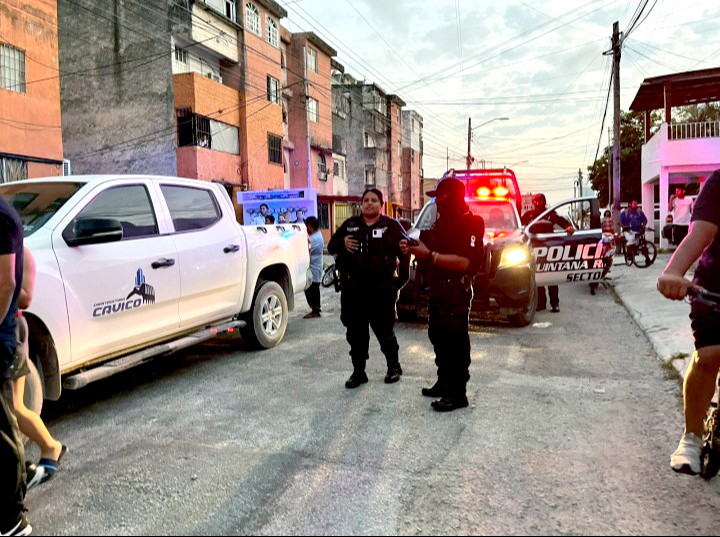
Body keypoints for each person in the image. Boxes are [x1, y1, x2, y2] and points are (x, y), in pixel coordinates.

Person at [401, 178, 485, 412]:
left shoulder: (472, 223)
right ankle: (444, 381)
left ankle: (458, 394)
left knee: (455, 342)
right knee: (437, 335)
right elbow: (425, 243)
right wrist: (411, 246)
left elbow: (465, 262)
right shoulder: (440, 223)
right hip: (437, 289)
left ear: (453, 198)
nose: (437, 202)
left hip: (456, 290)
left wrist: (429, 255)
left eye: (440, 197)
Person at [658, 170, 720, 476]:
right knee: (709, 356)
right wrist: (674, 271)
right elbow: (700, 234)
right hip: (714, 289)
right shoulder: (718, 183)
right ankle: (692, 437)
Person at [328, 189, 410, 388]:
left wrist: (401, 281)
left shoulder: (391, 226)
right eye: (366, 200)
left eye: (374, 200)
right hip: (353, 291)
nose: (369, 204)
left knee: (384, 331)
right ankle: (359, 372)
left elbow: (406, 251)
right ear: (361, 204)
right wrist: (342, 242)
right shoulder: (350, 225)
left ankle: (393, 367)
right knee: (355, 333)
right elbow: (331, 246)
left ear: (381, 204)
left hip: (381, 290)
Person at [11, 248, 66, 484]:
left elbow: (25, 298)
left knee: (13, 406)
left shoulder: (21, 253)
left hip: (10, 332)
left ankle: (50, 446)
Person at [0, 196, 31, 536]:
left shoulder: (2, 218)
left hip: (0, 333)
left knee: (3, 425)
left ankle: (11, 518)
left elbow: (9, 283)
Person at [521, 193, 574, 313]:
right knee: (538, 277)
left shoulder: (550, 214)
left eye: (540, 201)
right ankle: (541, 304)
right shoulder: (529, 215)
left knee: (551, 277)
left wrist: (568, 227)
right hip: (534, 249)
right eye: (535, 201)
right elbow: (519, 225)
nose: (538, 203)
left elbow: (562, 221)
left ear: (544, 201)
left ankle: (555, 303)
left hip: (549, 249)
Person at [304, 217, 324, 319]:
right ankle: (316, 308)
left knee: (312, 289)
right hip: (315, 266)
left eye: (307, 225)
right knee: (312, 288)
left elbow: (304, 251)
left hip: (314, 268)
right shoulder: (316, 235)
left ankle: (315, 311)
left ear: (310, 226)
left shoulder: (314, 239)